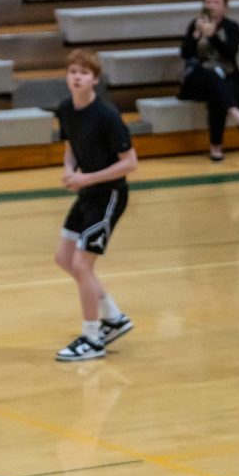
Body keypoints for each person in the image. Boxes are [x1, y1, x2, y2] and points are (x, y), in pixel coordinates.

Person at [52, 48, 138, 362]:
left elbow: (130, 163)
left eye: (84, 73)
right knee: (64, 257)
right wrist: (69, 170)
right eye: (73, 71)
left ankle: (92, 338)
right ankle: (114, 317)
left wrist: (86, 179)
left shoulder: (107, 116)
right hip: (87, 193)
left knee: (81, 265)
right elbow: (70, 147)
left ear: (95, 79)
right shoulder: (65, 109)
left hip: (109, 195)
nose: (77, 77)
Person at [177, 0, 239, 161]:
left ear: (225, 6)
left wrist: (213, 36)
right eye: (208, 2)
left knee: (218, 94)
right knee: (209, 75)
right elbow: (185, 54)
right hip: (198, 78)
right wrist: (196, 35)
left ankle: (216, 147)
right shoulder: (195, 23)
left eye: (216, 2)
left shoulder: (231, 27)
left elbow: (230, 53)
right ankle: (236, 114)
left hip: (226, 75)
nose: (211, 5)